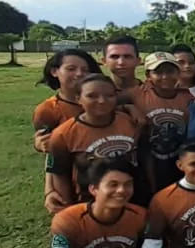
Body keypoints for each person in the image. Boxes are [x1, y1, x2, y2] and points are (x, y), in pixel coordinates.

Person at [46, 74, 142, 212]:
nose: (102, 101)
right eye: (92, 96)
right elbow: (60, 173)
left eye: (109, 95)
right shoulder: (63, 134)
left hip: (132, 196)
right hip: (90, 202)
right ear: (78, 99)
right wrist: (66, 208)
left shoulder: (130, 122)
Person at [130, 52, 194, 193]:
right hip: (148, 160)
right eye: (158, 72)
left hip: (177, 160)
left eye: (170, 71)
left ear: (178, 72)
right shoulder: (138, 93)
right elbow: (109, 100)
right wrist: (129, 107)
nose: (165, 77)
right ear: (148, 76)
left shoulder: (188, 97)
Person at [33, 48, 101, 151]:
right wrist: (39, 145)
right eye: (71, 69)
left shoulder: (105, 101)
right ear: (54, 72)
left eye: (85, 70)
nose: (79, 74)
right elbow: (44, 142)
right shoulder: (47, 110)